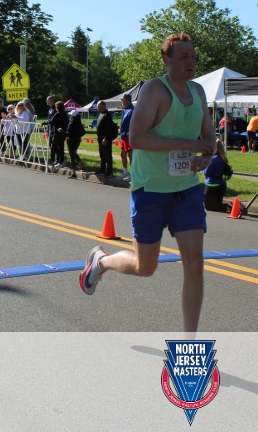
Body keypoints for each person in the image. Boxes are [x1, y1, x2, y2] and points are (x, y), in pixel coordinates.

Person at [79, 33, 216, 333]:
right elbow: (137, 138)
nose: (191, 62)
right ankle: (101, 262)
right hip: (151, 190)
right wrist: (186, 143)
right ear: (167, 59)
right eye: (183, 57)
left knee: (195, 263)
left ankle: (189, 341)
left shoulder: (198, 91)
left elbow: (209, 134)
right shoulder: (155, 89)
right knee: (145, 267)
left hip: (186, 190)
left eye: (193, 57)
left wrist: (206, 153)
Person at [203, 140, 234, 213]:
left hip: (212, 184)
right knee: (217, 205)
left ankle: (230, 207)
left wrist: (203, 168)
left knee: (208, 206)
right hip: (221, 184)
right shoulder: (223, 158)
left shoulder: (213, 159)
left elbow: (207, 172)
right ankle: (232, 206)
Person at [95, 101, 118, 176]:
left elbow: (109, 128)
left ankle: (109, 171)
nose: (98, 108)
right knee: (102, 155)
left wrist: (106, 138)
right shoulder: (100, 114)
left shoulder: (107, 115)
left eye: (98, 106)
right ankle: (102, 169)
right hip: (100, 138)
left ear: (102, 106)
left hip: (105, 139)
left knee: (107, 155)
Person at [65, 109, 86, 177]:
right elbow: (83, 132)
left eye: (71, 115)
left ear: (73, 116)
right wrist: (78, 136)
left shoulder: (71, 124)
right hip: (77, 141)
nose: (70, 116)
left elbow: (68, 133)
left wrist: (62, 131)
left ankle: (73, 173)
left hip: (71, 141)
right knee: (74, 153)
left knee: (72, 156)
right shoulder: (79, 123)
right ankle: (81, 165)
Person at [48, 100, 68, 168]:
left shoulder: (57, 114)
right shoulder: (65, 114)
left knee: (53, 146)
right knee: (61, 146)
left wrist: (44, 123)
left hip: (57, 133)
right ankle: (60, 161)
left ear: (57, 107)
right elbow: (67, 123)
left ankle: (61, 158)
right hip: (63, 133)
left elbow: (51, 122)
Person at [119, 94, 134, 180]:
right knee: (122, 154)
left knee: (130, 155)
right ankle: (125, 172)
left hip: (129, 135)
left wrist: (129, 133)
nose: (122, 101)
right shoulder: (125, 109)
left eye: (123, 100)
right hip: (123, 135)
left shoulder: (132, 109)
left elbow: (134, 122)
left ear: (127, 100)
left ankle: (132, 174)